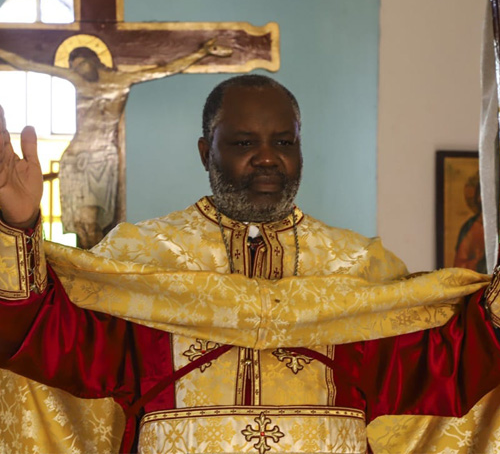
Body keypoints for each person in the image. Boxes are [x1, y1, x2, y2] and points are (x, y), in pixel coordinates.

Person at [0, 74, 499, 454]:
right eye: (243, 142)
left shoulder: (357, 265)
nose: (267, 158)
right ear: (205, 151)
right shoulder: (143, 256)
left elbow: (447, 368)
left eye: (284, 142)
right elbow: (50, 344)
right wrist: (19, 224)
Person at [0, 39, 232, 248]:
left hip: (103, 160)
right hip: (76, 159)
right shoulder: (77, 80)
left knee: (97, 226)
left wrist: (200, 52)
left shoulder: (119, 80)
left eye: (81, 64)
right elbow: (35, 66)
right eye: (74, 66)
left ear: (95, 61)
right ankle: (85, 278)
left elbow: (162, 69)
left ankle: (93, 276)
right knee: (82, 225)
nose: (78, 71)